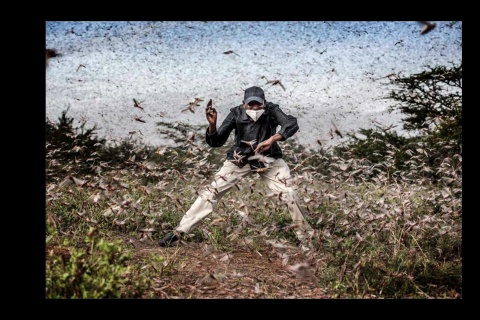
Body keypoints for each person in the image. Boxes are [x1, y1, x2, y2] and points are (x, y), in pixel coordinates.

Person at [158, 86, 314, 248]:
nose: (254, 108)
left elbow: (291, 123)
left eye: (258, 105)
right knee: (212, 192)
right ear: (243, 104)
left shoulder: (272, 110)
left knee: (289, 193)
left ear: (264, 103)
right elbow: (216, 141)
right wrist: (212, 125)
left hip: (269, 158)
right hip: (240, 159)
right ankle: (179, 232)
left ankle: (306, 239)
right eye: (250, 104)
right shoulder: (235, 113)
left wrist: (272, 139)